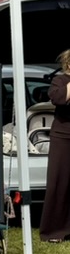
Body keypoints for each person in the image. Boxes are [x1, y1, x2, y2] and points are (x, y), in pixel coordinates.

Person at [40, 49, 70, 243]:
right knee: (59, 183)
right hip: (63, 137)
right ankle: (53, 231)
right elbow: (59, 99)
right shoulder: (60, 81)